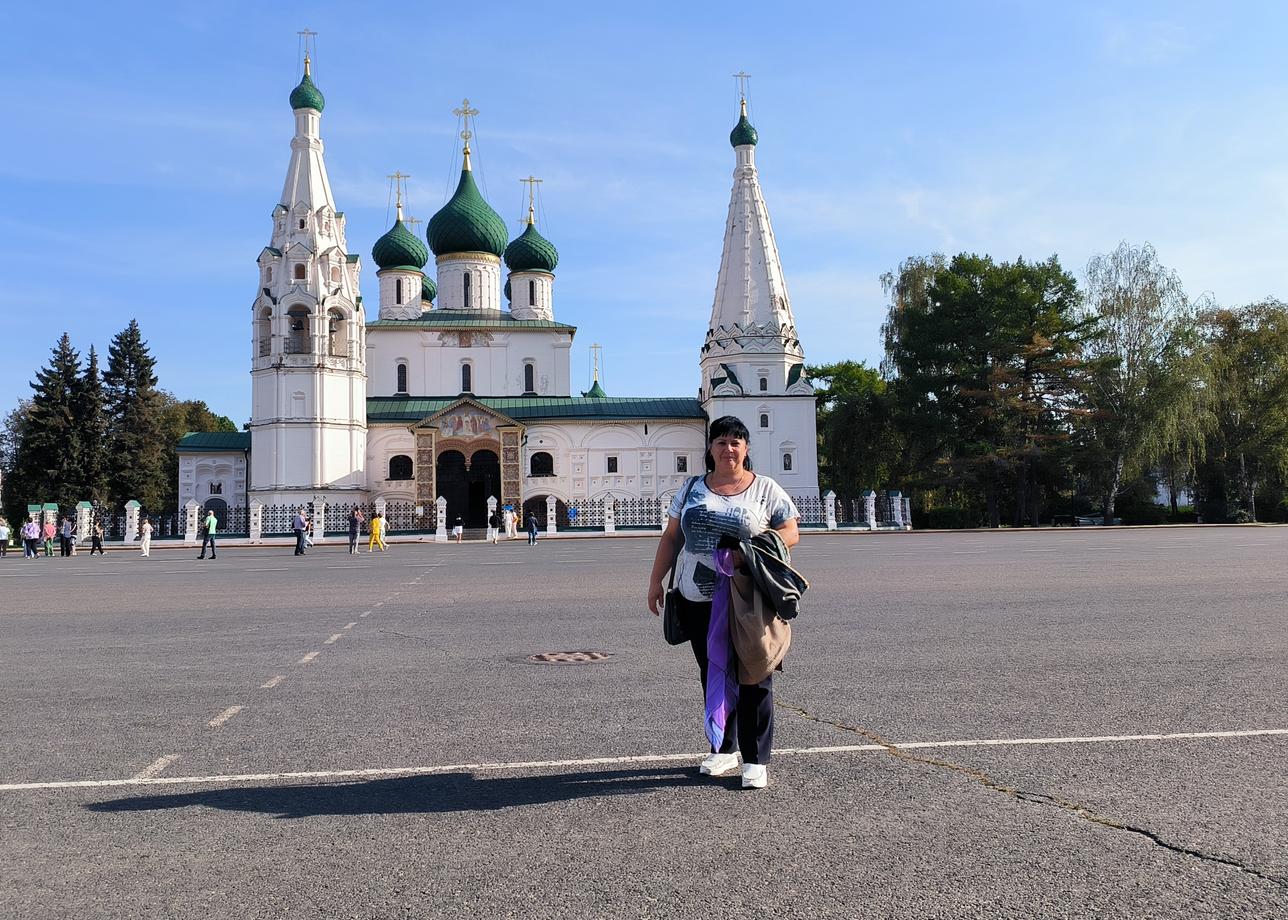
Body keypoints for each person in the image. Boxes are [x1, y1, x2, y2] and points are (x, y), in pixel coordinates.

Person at [647, 415, 799, 790]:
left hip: (746, 597)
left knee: (754, 673)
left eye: (735, 442)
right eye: (721, 442)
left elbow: (790, 531)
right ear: (710, 448)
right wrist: (656, 581)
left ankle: (756, 758)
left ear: (746, 449)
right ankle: (724, 747)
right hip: (696, 596)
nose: (728, 449)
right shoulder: (692, 488)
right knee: (713, 670)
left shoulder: (765, 489)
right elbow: (671, 537)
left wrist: (747, 554)